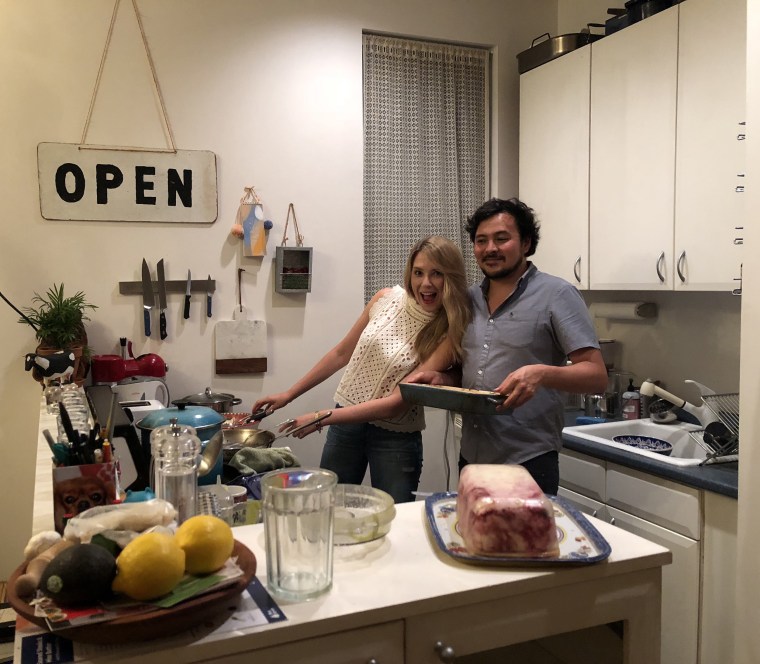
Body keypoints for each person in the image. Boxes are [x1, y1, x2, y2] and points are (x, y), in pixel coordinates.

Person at [251, 235, 471, 502]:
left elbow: (396, 404)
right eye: (418, 272)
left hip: (395, 437)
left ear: (452, 277)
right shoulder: (385, 299)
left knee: (395, 520)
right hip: (346, 425)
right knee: (329, 509)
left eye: (437, 274)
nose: (426, 283)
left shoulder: (449, 331)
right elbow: (341, 353)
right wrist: (289, 395)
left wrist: (321, 416)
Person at [411, 198, 608, 494]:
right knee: (472, 539)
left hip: (528, 460)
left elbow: (596, 375)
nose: (490, 248)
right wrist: (445, 379)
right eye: (481, 241)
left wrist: (540, 373)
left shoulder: (557, 294)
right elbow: (472, 369)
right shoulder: (468, 300)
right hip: (473, 456)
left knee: (525, 542)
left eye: (501, 239)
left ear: (526, 243)